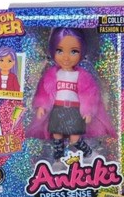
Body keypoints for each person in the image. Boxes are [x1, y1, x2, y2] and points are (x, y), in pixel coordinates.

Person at [27, 27, 115, 171]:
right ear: (52, 50)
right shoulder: (52, 74)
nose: (66, 57)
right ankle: (57, 160)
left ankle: (89, 154)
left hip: (74, 110)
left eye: (74, 51)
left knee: (75, 138)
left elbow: (90, 93)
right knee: (57, 136)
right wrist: (42, 106)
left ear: (82, 52)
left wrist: (88, 111)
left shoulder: (82, 75)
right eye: (60, 51)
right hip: (58, 109)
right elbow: (44, 91)